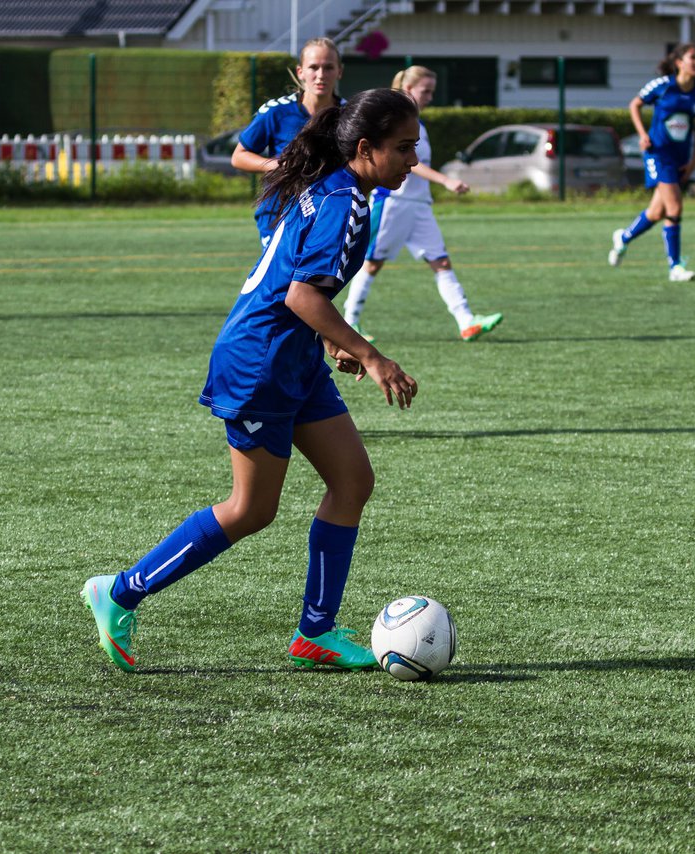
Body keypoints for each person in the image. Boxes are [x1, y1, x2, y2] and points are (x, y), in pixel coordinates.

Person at [81, 89, 422, 673]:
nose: (413, 160)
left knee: (353, 480)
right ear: (365, 149)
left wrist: (327, 341)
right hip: (259, 364)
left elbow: (292, 288)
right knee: (251, 509)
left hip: (292, 357)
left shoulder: (337, 190)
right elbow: (299, 294)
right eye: (403, 148)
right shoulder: (342, 203)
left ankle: (316, 632)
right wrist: (369, 356)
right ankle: (119, 591)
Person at [341, 65, 503, 343]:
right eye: (425, 91)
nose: (429, 96)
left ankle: (466, 321)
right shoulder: (394, 126)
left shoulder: (419, 126)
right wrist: (446, 180)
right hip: (395, 202)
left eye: (431, 91)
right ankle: (350, 322)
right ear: (408, 90)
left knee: (440, 261)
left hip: (419, 205)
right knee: (372, 262)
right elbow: (412, 166)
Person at [607, 43, 695, 282]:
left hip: (681, 159)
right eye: (692, 58)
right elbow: (635, 104)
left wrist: (694, 161)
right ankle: (675, 267)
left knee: (656, 212)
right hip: (658, 154)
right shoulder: (662, 86)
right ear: (679, 63)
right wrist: (643, 134)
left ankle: (623, 238)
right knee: (674, 208)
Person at [231, 37, 344, 245]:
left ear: (339, 71)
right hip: (280, 214)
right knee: (285, 278)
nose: (321, 75)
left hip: (328, 216)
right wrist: (279, 165)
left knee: (319, 278)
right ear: (301, 72)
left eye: (328, 67)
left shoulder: (349, 115)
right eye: (313, 67)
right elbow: (239, 157)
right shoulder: (277, 111)